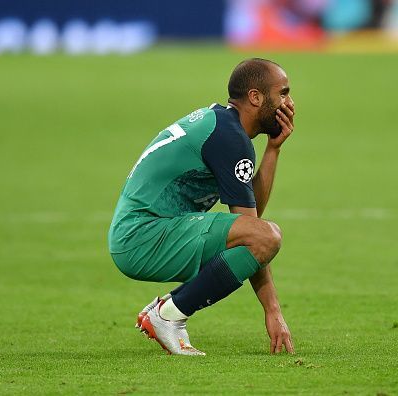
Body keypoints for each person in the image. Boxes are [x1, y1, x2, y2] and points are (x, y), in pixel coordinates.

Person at [108, 58, 295, 356]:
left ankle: (167, 311)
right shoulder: (229, 139)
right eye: (283, 93)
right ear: (256, 97)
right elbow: (256, 234)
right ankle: (168, 315)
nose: (289, 103)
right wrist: (272, 308)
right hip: (141, 237)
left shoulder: (222, 125)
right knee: (267, 236)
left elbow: (250, 216)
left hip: (144, 232)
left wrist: (273, 149)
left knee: (261, 236)